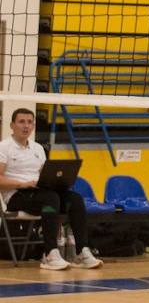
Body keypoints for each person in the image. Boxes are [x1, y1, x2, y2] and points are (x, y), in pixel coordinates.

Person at [0, 108, 101, 270]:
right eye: (21, 122)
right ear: (12, 125)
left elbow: (44, 175)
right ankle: (50, 254)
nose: (26, 126)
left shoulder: (38, 149)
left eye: (29, 122)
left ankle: (81, 252)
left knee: (74, 199)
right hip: (17, 195)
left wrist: (57, 182)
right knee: (50, 199)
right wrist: (22, 184)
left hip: (39, 193)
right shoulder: (4, 147)